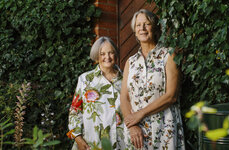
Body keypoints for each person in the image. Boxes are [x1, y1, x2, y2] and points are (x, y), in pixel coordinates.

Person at [120, 9, 185, 150]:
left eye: (146, 24)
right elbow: (124, 97)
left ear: (154, 27)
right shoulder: (130, 62)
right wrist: (132, 125)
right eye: (138, 25)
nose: (142, 28)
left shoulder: (168, 55)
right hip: (136, 134)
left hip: (163, 130)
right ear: (134, 30)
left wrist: (140, 114)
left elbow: (171, 96)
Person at [67, 36, 125, 150]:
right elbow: (75, 111)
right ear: (97, 56)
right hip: (92, 143)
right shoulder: (85, 79)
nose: (107, 57)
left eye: (111, 53)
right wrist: (78, 138)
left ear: (116, 54)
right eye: (102, 54)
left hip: (122, 142)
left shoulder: (126, 78)